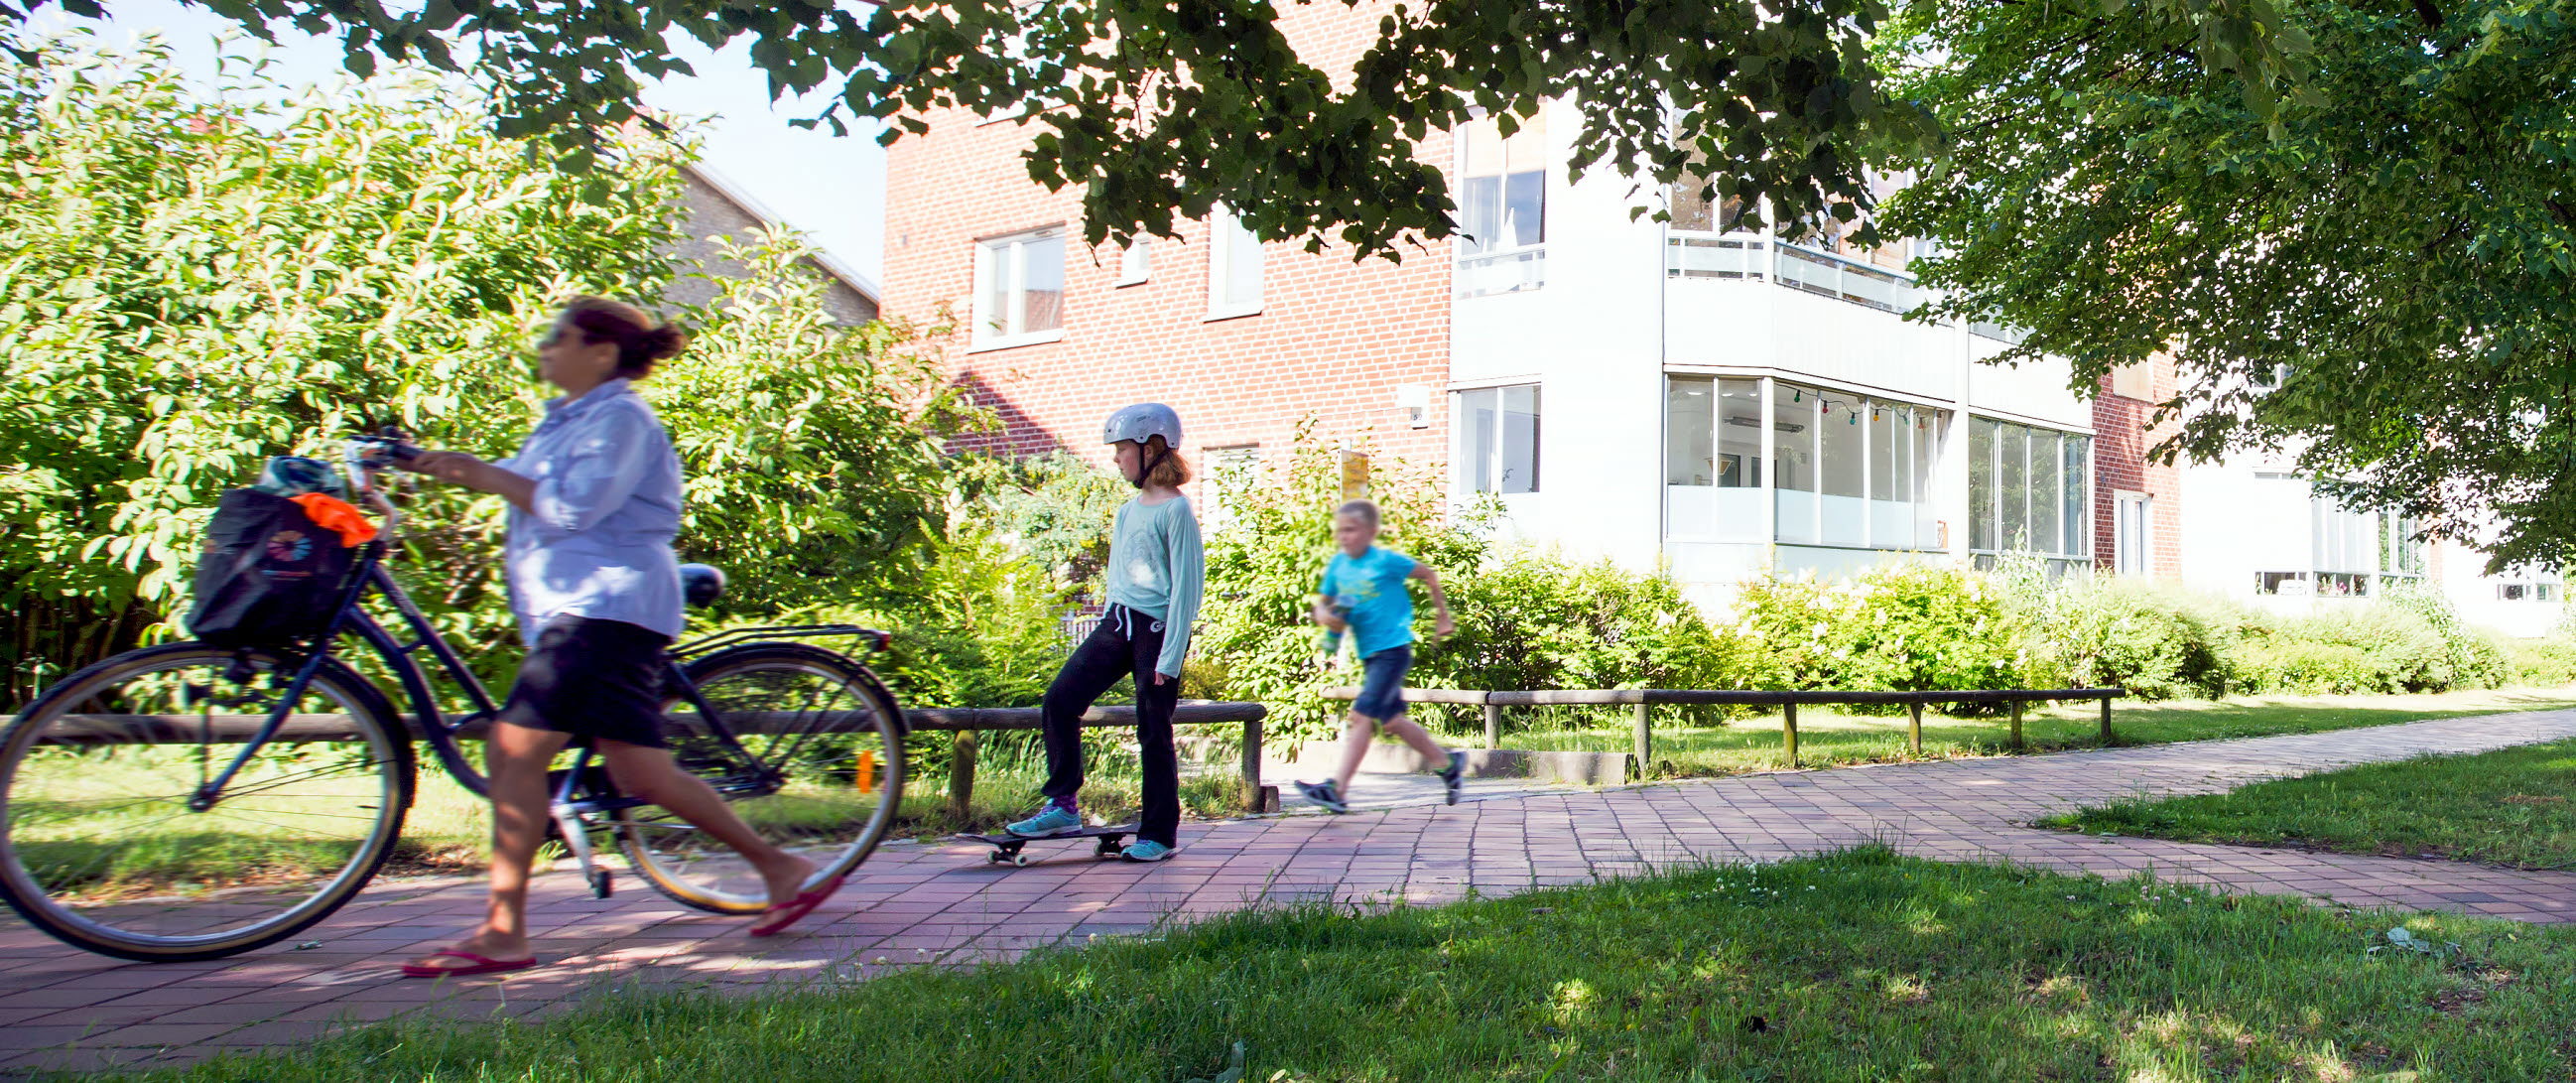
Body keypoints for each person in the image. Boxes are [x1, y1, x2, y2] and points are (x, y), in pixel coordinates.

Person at [394, 298, 833, 977]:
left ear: (601, 352)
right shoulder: (567, 421)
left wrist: (485, 474)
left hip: (602, 608)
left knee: (512, 753)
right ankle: (779, 867)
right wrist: (426, 464)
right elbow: (521, 484)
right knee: (640, 773)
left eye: (558, 337)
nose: (544, 347)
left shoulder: (622, 418)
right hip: (590, 612)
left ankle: (504, 931)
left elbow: (574, 507)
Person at [1004, 404, 1204, 862]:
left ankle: (1159, 835)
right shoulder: (1127, 511)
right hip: (1117, 623)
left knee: (1153, 730)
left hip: (1156, 631)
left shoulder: (1176, 510)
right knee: (1060, 700)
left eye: (1122, 449)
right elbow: (1119, 577)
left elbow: (1187, 589)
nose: (1116, 458)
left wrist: (1170, 656)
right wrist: (1109, 623)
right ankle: (1062, 805)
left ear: (1150, 449)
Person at [1293, 499, 1466, 813]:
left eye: (1351, 530)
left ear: (1371, 532)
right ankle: (1447, 764)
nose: (1344, 536)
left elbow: (1429, 575)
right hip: (1370, 656)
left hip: (1393, 651)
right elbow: (1324, 603)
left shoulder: (1386, 561)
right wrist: (1324, 615)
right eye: (1340, 531)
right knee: (1393, 722)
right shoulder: (1339, 565)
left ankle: (1337, 790)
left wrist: (1442, 617)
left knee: (1360, 716)